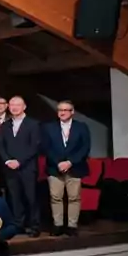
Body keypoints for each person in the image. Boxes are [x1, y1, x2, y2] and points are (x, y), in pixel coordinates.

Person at [43, 100, 91, 236]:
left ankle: (72, 225)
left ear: (72, 112)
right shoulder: (49, 127)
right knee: (55, 197)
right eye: (60, 110)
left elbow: (85, 148)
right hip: (54, 167)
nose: (62, 113)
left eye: (66, 110)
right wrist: (58, 162)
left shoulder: (82, 127)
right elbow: (46, 148)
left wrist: (70, 162)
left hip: (75, 167)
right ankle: (57, 225)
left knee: (74, 197)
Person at [0, 96, 42, 237]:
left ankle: (34, 226)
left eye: (17, 105)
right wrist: (8, 161)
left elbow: (35, 146)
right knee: (14, 198)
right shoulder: (5, 125)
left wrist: (19, 161)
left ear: (24, 107)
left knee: (31, 198)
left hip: (27, 167)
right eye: (12, 105)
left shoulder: (34, 124)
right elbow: (0, 145)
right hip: (9, 168)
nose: (14, 107)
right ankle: (18, 225)